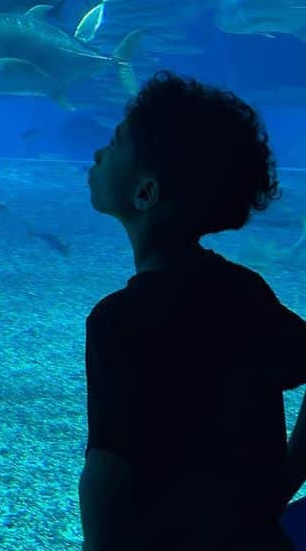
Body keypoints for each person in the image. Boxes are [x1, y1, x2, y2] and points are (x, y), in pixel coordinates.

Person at [80, 71, 306, 551]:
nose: (99, 154)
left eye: (115, 144)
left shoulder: (120, 320)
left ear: (146, 193)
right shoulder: (244, 291)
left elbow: (107, 475)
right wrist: (284, 481)